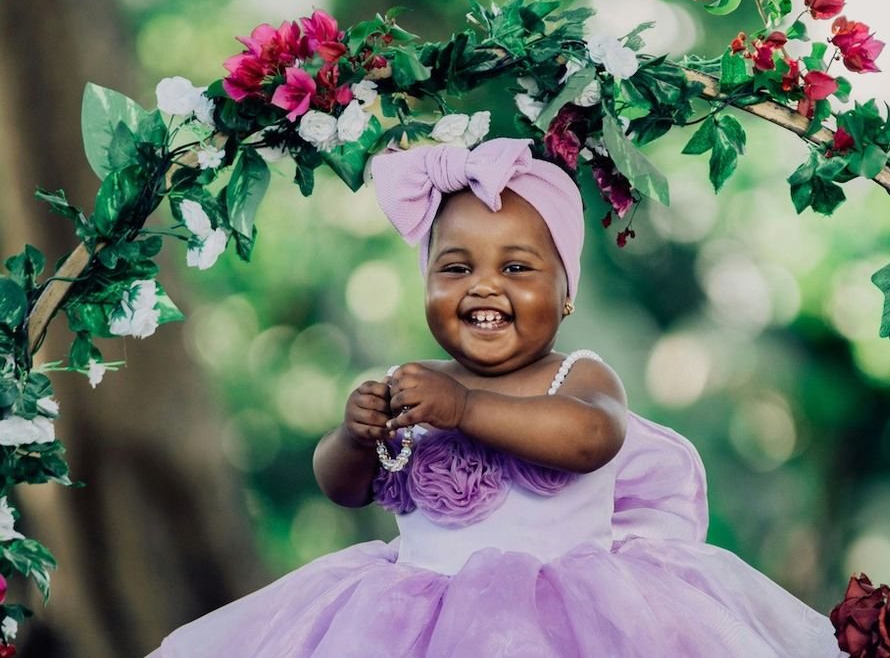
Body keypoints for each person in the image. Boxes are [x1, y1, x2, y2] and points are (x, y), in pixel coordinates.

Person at [149, 138, 845, 657]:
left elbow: (590, 439)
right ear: (426, 286)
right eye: (455, 267)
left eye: (516, 267)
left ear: (567, 293)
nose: (483, 286)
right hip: (410, 620)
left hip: (579, 620)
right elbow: (345, 490)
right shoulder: (411, 379)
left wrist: (465, 410)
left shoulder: (579, 376)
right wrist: (352, 439)